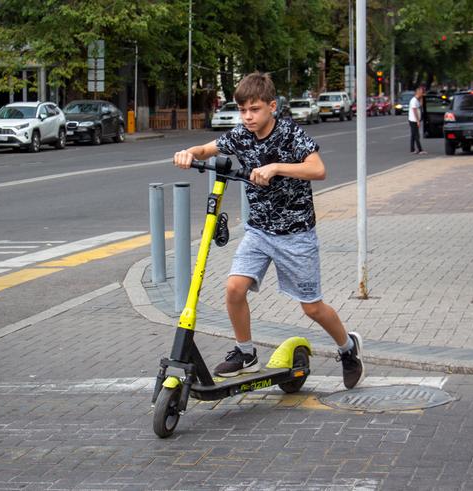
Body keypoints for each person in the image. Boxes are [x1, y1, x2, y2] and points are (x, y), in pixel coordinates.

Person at [173, 72, 365, 389]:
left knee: (312, 307)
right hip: (259, 232)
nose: (248, 116)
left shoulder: (290, 134)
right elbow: (208, 149)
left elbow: (318, 169)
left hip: (296, 234)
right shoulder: (240, 135)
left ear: (271, 107)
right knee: (234, 288)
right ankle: (246, 354)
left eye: (255, 109)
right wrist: (189, 153)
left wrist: (276, 167)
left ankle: (347, 349)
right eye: (243, 110)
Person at [408, 86, 426, 155]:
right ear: (418, 92)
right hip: (413, 120)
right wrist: (418, 121)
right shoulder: (413, 101)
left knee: (413, 135)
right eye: (421, 92)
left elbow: (421, 105)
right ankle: (420, 150)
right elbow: (414, 111)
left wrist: (421, 98)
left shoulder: (417, 100)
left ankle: (412, 149)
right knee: (416, 135)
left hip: (414, 120)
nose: (422, 93)